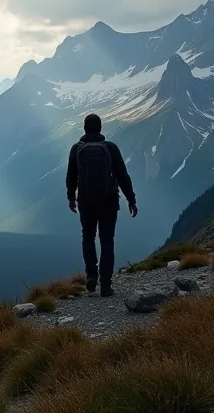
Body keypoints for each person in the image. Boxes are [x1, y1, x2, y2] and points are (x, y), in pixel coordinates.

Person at [65, 113, 136, 297]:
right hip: (109, 201)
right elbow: (122, 176)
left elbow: (71, 176)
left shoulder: (77, 148)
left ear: (84, 128)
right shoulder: (110, 148)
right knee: (107, 240)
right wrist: (131, 199)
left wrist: (71, 197)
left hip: (86, 202)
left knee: (87, 236)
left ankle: (90, 277)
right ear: (101, 128)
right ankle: (106, 284)